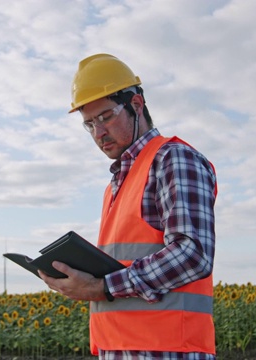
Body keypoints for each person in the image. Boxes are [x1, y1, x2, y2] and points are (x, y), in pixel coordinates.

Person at [38, 54, 218, 360]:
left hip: (169, 351)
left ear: (136, 105)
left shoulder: (172, 158)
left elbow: (193, 254)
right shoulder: (116, 185)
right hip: (120, 348)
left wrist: (102, 287)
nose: (98, 132)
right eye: (89, 124)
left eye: (106, 116)